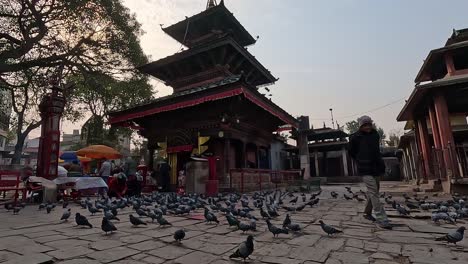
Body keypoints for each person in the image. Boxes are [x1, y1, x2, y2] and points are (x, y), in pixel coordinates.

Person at [349, 115, 391, 230]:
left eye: (369, 124)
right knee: (374, 192)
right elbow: (352, 152)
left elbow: (377, 152)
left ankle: (367, 213)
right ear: (361, 126)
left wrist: (382, 167)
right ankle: (382, 219)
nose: (367, 127)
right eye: (365, 125)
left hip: (376, 168)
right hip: (364, 169)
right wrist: (360, 159)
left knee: (374, 191)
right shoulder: (354, 137)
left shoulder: (375, 135)